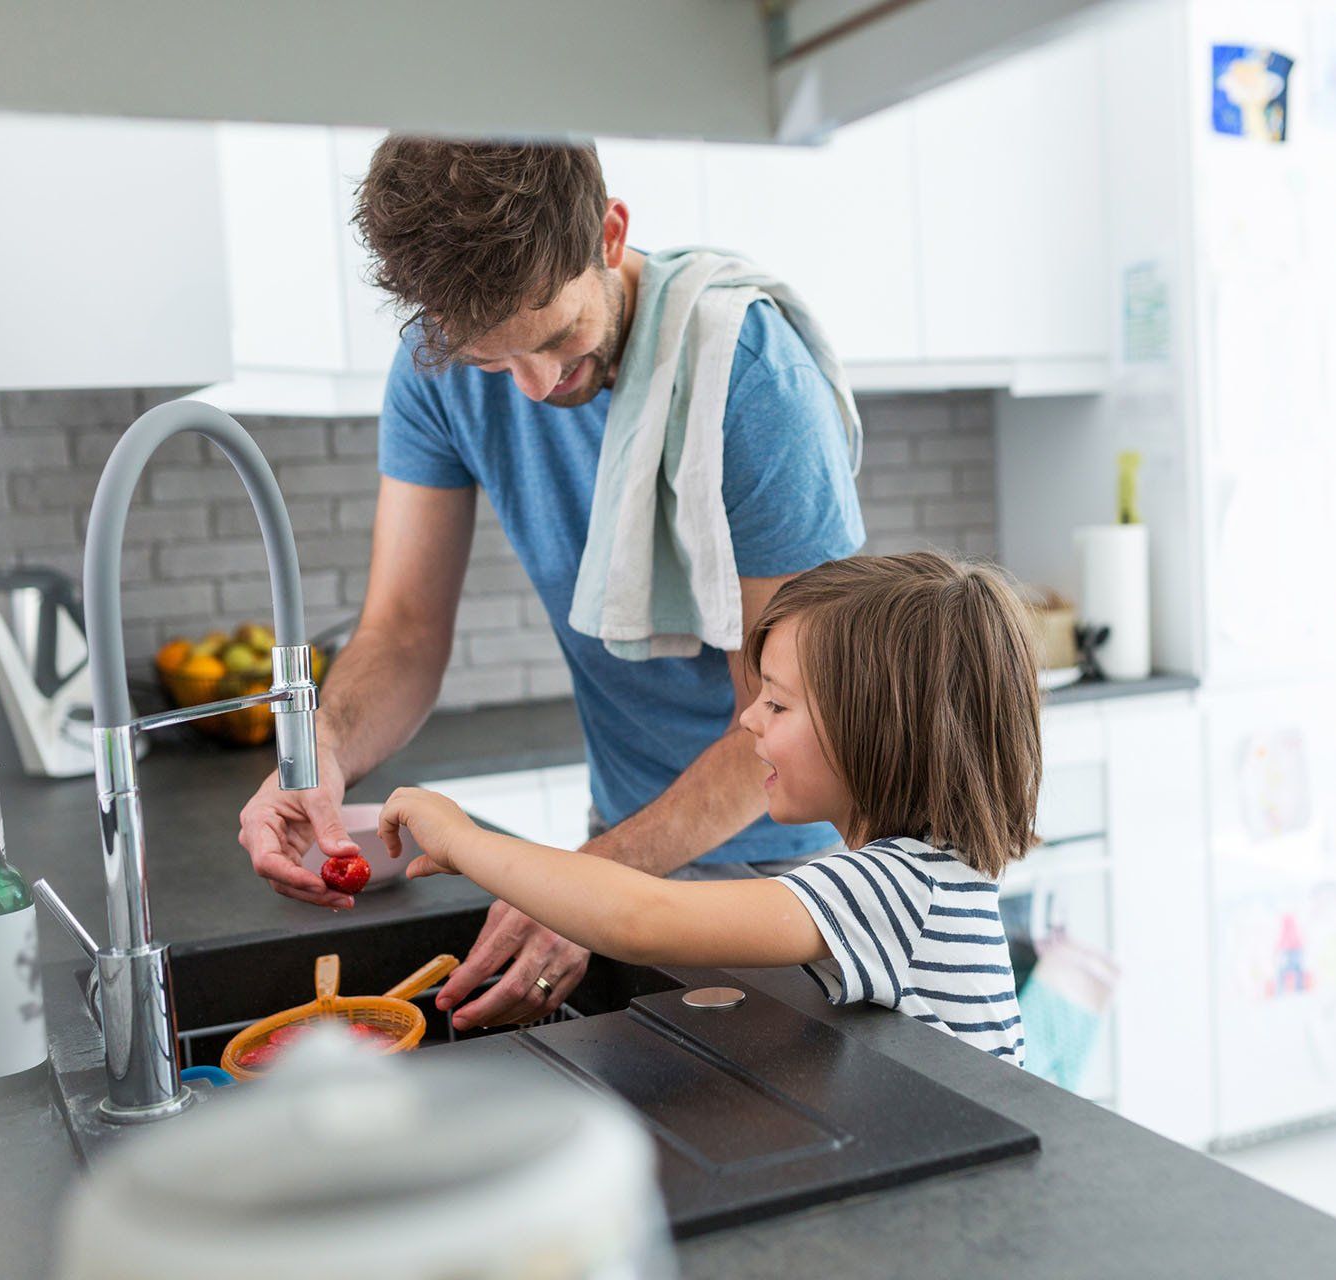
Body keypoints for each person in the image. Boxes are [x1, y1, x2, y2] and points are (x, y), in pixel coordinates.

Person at [236, 137, 865, 1030]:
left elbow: (798, 718)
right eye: (495, 361)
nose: (533, 387)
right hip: (617, 842)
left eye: (558, 336)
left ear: (610, 235)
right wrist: (323, 753)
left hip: (785, 873)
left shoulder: (749, 377)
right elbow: (403, 631)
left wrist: (588, 884)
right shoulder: (436, 368)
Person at [376, 553, 1041, 1060]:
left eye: (777, 703)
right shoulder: (918, 872)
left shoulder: (894, 888)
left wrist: (465, 842)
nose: (749, 719)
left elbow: (638, 916)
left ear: (873, 732)